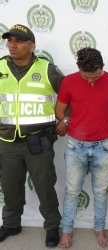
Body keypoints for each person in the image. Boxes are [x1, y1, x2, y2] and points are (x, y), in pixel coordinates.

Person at [0, 24, 68, 247]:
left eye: (18, 41)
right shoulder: (0, 67)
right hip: (7, 142)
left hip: (38, 141)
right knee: (10, 187)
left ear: (32, 46)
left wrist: (66, 120)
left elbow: (72, 96)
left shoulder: (48, 69)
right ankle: (11, 224)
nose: (12, 45)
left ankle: (51, 226)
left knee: (44, 186)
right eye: (10, 40)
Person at [55, 47, 108, 248]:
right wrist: (67, 121)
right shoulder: (68, 81)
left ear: (103, 66)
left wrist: (102, 129)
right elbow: (59, 111)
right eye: (86, 76)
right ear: (78, 67)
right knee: (72, 191)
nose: (91, 80)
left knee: (101, 192)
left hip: (104, 147)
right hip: (76, 145)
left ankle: (99, 229)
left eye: (95, 75)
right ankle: (66, 231)